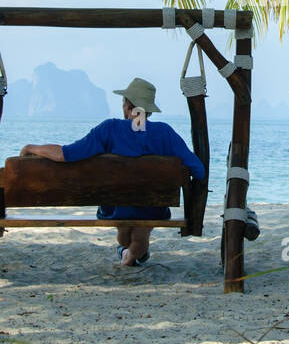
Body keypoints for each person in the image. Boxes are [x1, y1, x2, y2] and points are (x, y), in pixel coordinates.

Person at [19, 77, 205, 267]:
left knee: (124, 227)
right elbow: (198, 169)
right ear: (148, 110)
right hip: (153, 208)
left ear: (126, 106)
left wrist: (31, 148)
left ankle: (126, 252)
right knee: (141, 229)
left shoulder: (109, 129)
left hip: (115, 209)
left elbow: (65, 154)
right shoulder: (165, 133)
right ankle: (133, 253)